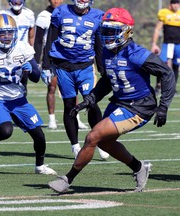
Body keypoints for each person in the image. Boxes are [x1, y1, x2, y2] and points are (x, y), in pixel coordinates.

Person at [48, 7, 175, 193]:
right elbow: (107, 80)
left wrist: (163, 106)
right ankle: (139, 167)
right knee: (104, 143)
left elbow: (167, 73)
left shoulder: (136, 53)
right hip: (119, 102)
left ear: (126, 31)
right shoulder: (108, 52)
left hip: (138, 106)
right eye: (105, 31)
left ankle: (67, 179)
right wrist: (90, 99)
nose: (107, 36)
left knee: (92, 136)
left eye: (112, 32)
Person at [0, 14, 57, 175]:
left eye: (9, 32)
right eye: (2, 33)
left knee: (39, 134)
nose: (7, 37)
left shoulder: (23, 48)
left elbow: (35, 78)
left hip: (18, 98)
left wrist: (31, 70)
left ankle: (40, 166)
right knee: (6, 130)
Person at [42, 0, 110, 160]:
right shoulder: (60, 12)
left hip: (85, 66)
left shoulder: (97, 16)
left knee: (91, 102)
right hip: (63, 66)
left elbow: (99, 44)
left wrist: (103, 69)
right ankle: (75, 145)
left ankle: (100, 141)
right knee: (70, 105)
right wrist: (45, 64)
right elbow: (50, 39)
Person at [34, 0, 88, 130]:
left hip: (67, 55)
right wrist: (37, 61)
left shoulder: (69, 12)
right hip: (51, 55)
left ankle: (76, 117)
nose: (56, 1)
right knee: (52, 87)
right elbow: (39, 40)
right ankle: (52, 118)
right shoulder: (43, 16)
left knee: (73, 89)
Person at [0, 0, 36, 95]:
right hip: (6, 52)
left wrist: (32, 53)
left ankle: (21, 104)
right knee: (6, 82)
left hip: (23, 52)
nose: (17, 2)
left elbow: (31, 36)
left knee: (25, 83)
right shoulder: (2, 14)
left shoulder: (29, 14)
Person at [151, 0, 180, 94]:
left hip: (178, 44)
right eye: (174, 3)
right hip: (167, 43)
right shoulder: (164, 13)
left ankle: (173, 87)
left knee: (176, 64)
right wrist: (154, 43)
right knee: (161, 63)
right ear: (170, 4)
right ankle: (158, 85)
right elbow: (157, 29)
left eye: (178, 3)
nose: (176, 5)